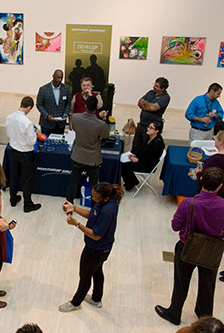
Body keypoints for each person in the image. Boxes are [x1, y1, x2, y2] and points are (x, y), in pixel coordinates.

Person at [155, 167, 224, 326]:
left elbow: (175, 225)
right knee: (207, 285)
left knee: (181, 282)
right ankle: (204, 317)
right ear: (220, 186)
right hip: (212, 250)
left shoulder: (188, 203)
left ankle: (174, 313)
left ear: (201, 181)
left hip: (187, 247)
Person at [59, 182, 124, 312]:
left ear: (104, 197)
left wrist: (76, 224)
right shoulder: (105, 202)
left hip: (96, 249)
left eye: (94, 197)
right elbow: (92, 214)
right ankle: (96, 298)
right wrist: (75, 208)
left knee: (85, 275)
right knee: (97, 270)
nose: (92, 198)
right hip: (101, 248)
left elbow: (96, 235)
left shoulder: (107, 211)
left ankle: (75, 303)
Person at [65, 96, 109, 203]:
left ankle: (68, 204)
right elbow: (106, 135)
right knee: (94, 186)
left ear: (85, 106)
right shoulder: (101, 124)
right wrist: (103, 119)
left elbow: (75, 129)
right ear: (96, 108)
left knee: (73, 182)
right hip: (92, 159)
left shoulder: (75, 117)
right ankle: (94, 208)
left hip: (78, 155)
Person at [5, 96, 41, 213]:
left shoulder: (9, 117)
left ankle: (13, 199)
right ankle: (27, 204)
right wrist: (35, 134)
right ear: (29, 108)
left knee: (14, 175)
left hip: (13, 150)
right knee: (27, 179)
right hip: (25, 153)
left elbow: (8, 133)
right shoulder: (27, 123)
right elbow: (31, 141)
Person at [121, 121, 165, 191]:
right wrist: (135, 155)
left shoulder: (157, 144)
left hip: (147, 166)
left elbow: (151, 160)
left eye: (151, 128)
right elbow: (142, 149)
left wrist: (137, 160)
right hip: (143, 160)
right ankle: (132, 181)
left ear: (156, 131)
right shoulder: (149, 138)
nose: (148, 129)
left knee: (123, 165)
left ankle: (131, 182)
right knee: (122, 161)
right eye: (149, 127)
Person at [195, 131, 224, 198]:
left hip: (212, 192)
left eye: (216, 139)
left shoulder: (215, 159)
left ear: (221, 142)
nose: (215, 141)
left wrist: (198, 173)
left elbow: (204, 178)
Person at [132, 77, 170, 152]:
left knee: (146, 147)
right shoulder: (150, 92)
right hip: (141, 124)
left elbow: (153, 108)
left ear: (163, 88)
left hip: (151, 127)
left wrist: (146, 103)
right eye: (154, 84)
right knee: (136, 145)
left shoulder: (165, 97)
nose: (154, 87)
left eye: (157, 86)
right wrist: (149, 106)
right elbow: (139, 102)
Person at [36, 70, 71, 136]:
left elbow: (68, 103)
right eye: (58, 77)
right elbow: (39, 105)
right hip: (46, 124)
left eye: (61, 78)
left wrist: (65, 114)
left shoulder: (66, 89)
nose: (60, 80)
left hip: (60, 124)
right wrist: (47, 115)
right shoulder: (43, 89)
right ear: (53, 76)